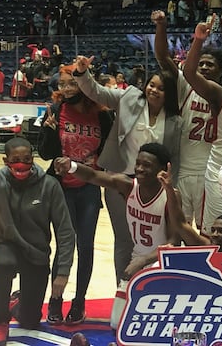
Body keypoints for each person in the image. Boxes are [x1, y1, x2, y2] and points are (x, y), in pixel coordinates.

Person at [71, 54, 183, 285]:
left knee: (157, 241)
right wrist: (82, 73)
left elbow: (175, 156)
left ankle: (154, 287)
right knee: (124, 239)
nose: (153, 90)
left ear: (169, 94)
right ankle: (123, 287)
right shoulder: (130, 97)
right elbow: (97, 92)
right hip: (121, 179)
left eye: (161, 88)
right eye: (151, 84)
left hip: (155, 188)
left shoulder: (175, 120)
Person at [0, 136, 74, 346]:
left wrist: (63, 271)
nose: (22, 163)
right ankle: (0, 321)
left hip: (37, 251)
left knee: (30, 321)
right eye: (16, 158)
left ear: (33, 158)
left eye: (27, 158)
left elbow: (65, 231)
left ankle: (16, 303)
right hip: (6, 243)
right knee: (3, 264)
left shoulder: (50, 185)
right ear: (5, 161)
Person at [37, 65, 114, 325]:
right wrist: (47, 130)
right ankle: (56, 300)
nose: (67, 89)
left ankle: (79, 301)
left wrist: (97, 165)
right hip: (61, 187)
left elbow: (109, 151)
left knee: (86, 246)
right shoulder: (56, 110)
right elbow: (46, 154)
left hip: (89, 187)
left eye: (72, 83)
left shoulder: (102, 116)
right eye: (62, 84)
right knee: (64, 245)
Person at [53, 143, 178, 280]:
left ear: (162, 169)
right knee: (120, 300)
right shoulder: (128, 186)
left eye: (146, 165)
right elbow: (92, 175)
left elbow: (174, 242)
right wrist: (72, 166)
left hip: (162, 262)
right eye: (137, 163)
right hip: (137, 258)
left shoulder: (170, 195)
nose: (140, 169)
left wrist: (144, 260)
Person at [175, 18, 222, 236]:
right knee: (215, 235)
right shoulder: (221, 94)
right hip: (220, 171)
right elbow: (190, 74)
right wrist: (198, 40)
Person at [152, 10, 222, 230]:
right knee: (177, 230)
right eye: (201, 63)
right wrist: (161, 26)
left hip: (210, 174)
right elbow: (163, 58)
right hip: (182, 171)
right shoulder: (186, 88)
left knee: (207, 232)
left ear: (221, 72)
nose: (203, 67)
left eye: (209, 65)